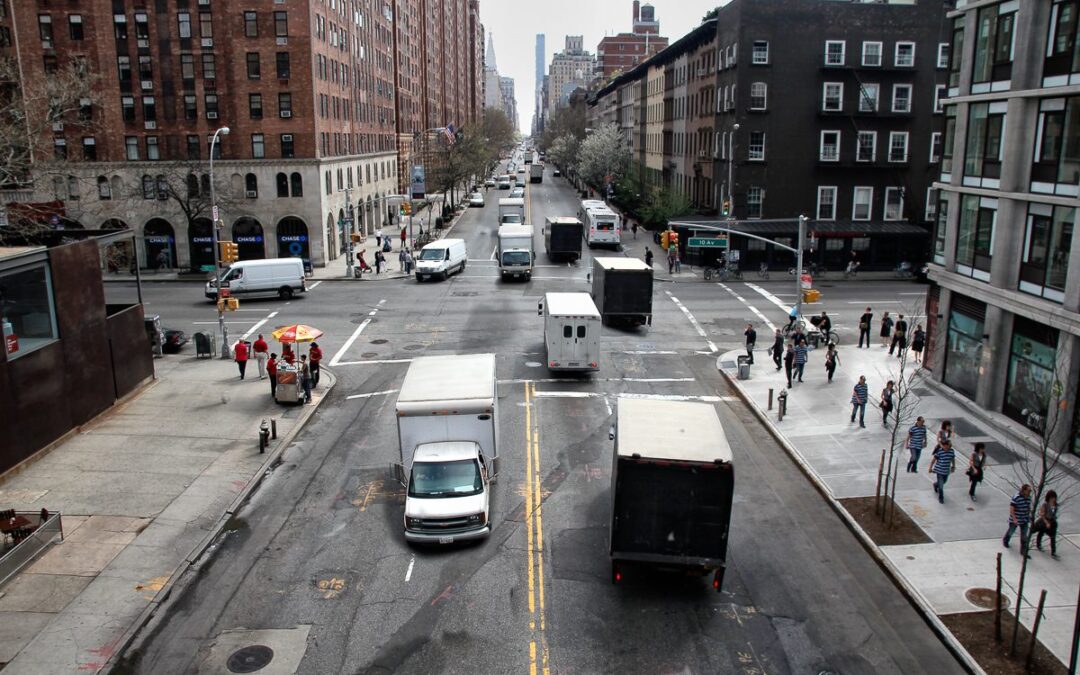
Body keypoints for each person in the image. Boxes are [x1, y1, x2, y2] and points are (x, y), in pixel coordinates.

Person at [1003, 484, 1033, 557]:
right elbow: (1012, 509)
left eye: (1030, 491)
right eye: (1028, 491)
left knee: (1024, 536)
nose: (1030, 492)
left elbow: (1028, 507)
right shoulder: (1016, 497)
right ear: (1024, 490)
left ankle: (1023, 551)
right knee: (1011, 531)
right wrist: (1014, 519)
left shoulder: (1029, 498)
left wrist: (1029, 516)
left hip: (1024, 519)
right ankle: (1006, 540)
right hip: (1016, 518)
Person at [1033, 490, 1059, 559]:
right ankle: (1038, 544)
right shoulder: (1045, 504)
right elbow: (1042, 514)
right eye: (1052, 498)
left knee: (1053, 537)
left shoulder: (1055, 505)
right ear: (1049, 497)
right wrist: (1046, 522)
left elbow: (1054, 514)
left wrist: (1054, 518)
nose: (1053, 499)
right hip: (1044, 521)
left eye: (1054, 498)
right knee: (1040, 532)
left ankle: (1053, 552)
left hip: (1052, 522)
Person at [929, 438, 955, 504]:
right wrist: (930, 468)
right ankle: (941, 498)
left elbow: (952, 459)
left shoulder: (951, 451)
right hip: (939, 470)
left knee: (944, 482)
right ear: (945, 445)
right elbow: (933, 460)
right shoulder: (940, 451)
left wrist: (953, 466)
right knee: (941, 486)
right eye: (948, 444)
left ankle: (935, 484)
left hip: (946, 470)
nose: (950, 445)